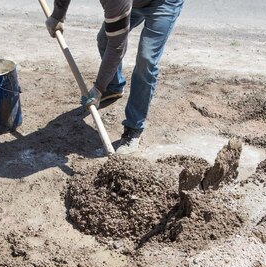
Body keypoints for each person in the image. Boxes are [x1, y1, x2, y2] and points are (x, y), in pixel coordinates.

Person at [46, 0, 184, 154]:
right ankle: (114, 87)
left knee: (146, 59)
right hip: (134, 3)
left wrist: (98, 87)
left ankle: (134, 128)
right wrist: (57, 16)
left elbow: (117, 46)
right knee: (104, 39)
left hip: (163, 3)